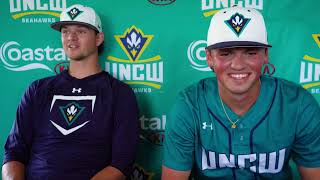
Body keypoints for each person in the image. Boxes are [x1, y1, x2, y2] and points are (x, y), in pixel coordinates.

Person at [162, 6, 320, 179]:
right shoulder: (189, 105)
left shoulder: (297, 104)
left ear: (265, 54)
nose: (238, 64)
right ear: (209, 57)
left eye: (250, 52)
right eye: (226, 53)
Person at [2, 4, 139, 180]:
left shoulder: (119, 94)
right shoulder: (38, 90)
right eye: (65, 31)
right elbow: (14, 152)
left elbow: (121, 163)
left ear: (99, 39)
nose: (71, 38)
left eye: (81, 31)